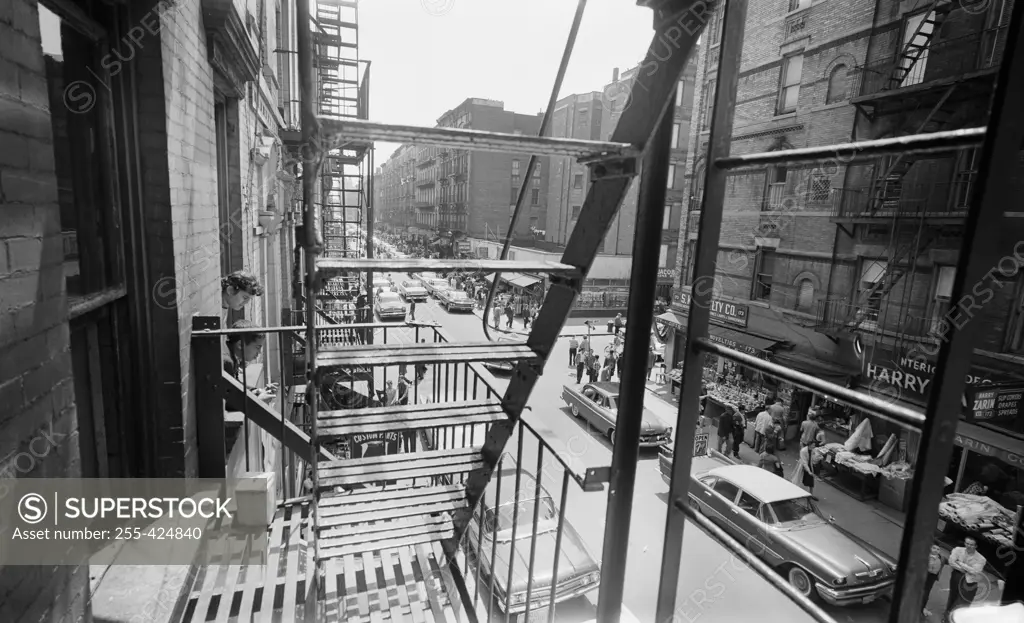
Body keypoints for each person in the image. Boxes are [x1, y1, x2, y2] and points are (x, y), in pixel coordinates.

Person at [945, 537, 987, 618]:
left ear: (976, 546)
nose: (968, 546)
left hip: (970, 581)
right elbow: (951, 562)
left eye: (971, 544)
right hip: (956, 576)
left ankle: (954, 618)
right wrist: (965, 569)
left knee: (962, 602)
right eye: (967, 543)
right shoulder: (957, 550)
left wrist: (960, 563)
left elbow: (975, 571)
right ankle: (947, 615)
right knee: (952, 595)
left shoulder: (981, 559)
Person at [923, 544, 945, 617]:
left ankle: (922, 608)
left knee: (926, 592)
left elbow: (952, 561)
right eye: (934, 548)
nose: (936, 550)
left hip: (932, 577)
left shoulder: (941, 558)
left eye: (938, 549)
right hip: (923, 574)